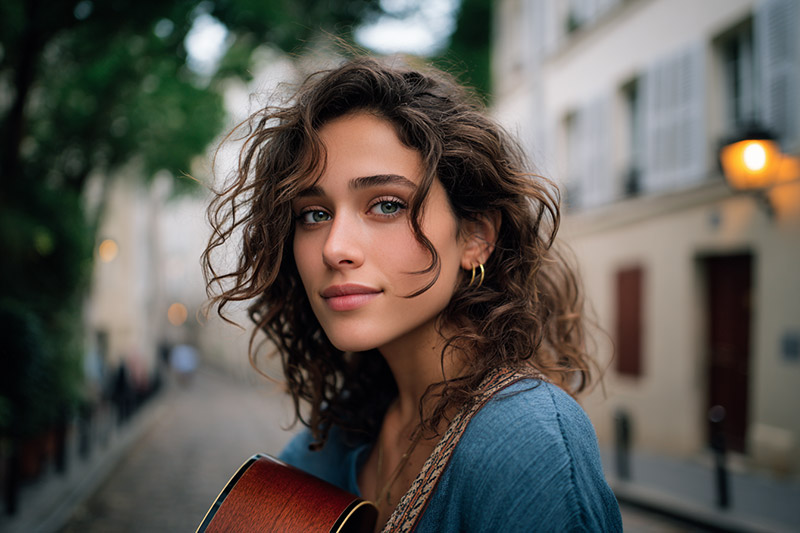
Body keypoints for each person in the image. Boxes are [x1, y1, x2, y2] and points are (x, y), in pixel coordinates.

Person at [204, 56, 622, 532]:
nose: (335, 248)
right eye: (313, 214)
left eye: (386, 205)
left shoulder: (529, 442)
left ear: (475, 237)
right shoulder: (339, 436)